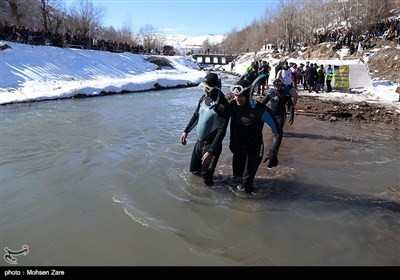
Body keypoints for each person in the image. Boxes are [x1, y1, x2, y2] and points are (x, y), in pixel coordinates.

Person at [228, 79, 283, 194]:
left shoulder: (260, 110)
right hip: (238, 148)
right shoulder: (233, 105)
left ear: (248, 94)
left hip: (254, 149)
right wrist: (231, 142)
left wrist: (274, 151)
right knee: (236, 180)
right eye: (235, 95)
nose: (237, 99)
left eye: (241, 96)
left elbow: (278, 131)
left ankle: (251, 208)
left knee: (246, 186)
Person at [180, 73, 230, 186]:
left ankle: (211, 200)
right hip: (199, 143)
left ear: (215, 88)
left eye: (207, 88)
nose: (205, 91)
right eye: (203, 88)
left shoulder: (223, 106)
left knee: (207, 180)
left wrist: (211, 152)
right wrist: (186, 131)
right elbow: (196, 115)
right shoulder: (203, 98)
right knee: (194, 172)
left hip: (211, 145)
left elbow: (222, 131)